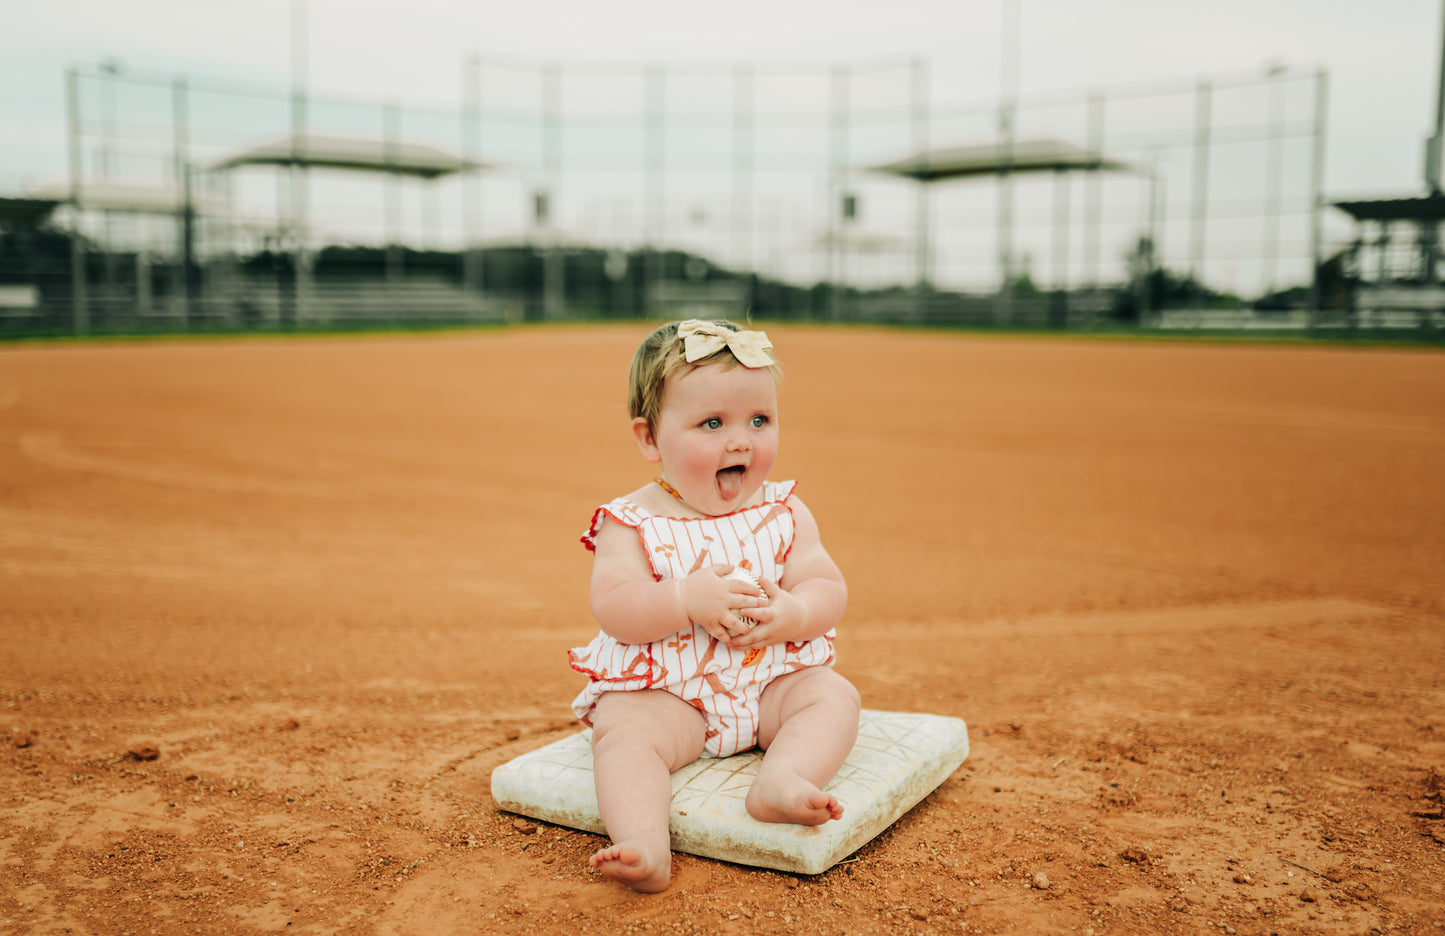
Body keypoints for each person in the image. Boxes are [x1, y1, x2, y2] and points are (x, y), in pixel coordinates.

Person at [567, 318, 861, 892]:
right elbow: (615, 606)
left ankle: (782, 778)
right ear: (650, 438)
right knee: (623, 734)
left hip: (771, 682)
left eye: (760, 420)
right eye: (711, 423)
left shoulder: (784, 511)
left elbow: (827, 585)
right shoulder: (632, 523)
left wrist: (797, 614)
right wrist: (682, 596)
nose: (741, 441)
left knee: (833, 696)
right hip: (672, 697)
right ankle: (644, 841)